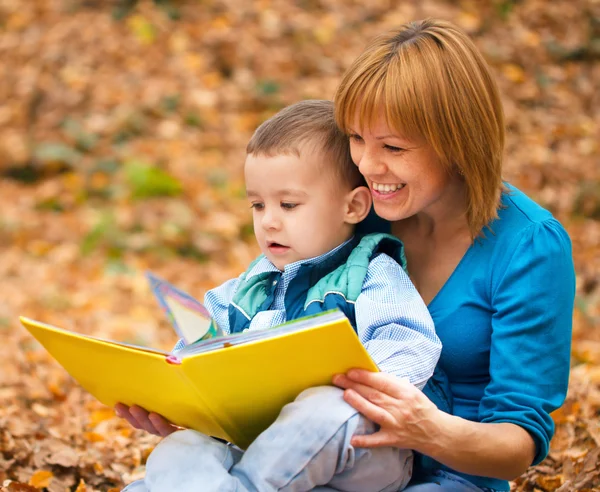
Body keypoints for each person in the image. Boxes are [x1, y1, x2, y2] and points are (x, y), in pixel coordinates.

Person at [118, 99, 442, 492]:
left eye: (288, 204)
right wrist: (172, 392)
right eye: (257, 204)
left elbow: (411, 344)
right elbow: (194, 357)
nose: (268, 220)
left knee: (322, 411)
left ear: (353, 206)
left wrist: (352, 387)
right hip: (257, 444)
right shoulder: (244, 290)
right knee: (182, 448)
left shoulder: (372, 273)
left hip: (361, 449)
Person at [329, 18, 575, 492]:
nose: (367, 165)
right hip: (336, 458)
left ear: (458, 140)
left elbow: (516, 447)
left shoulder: (529, 245)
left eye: (393, 147)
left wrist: (427, 429)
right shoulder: (360, 211)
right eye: (356, 138)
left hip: (452, 479)